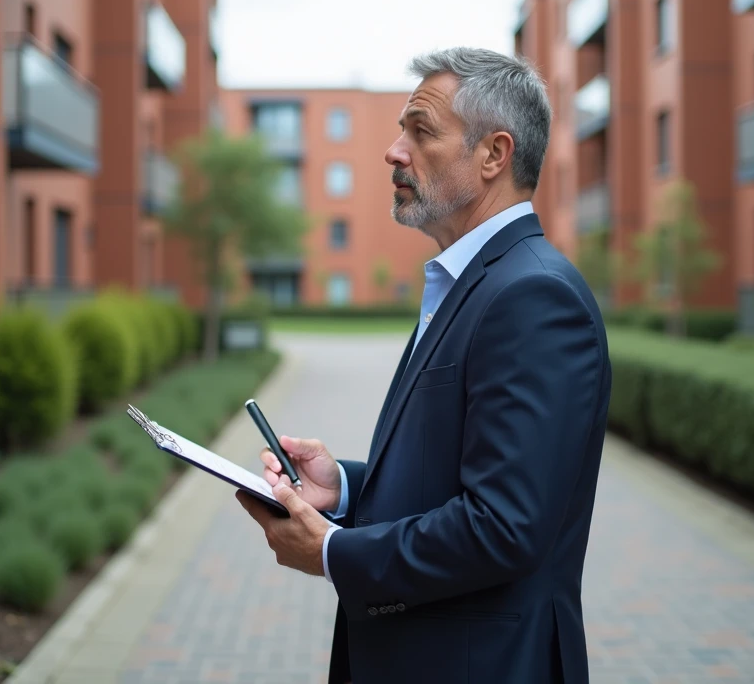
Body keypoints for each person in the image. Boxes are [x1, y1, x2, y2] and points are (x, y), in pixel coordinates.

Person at [236, 47, 611, 684]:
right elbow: (459, 472)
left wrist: (332, 551)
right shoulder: (474, 282)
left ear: (494, 154)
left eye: (421, 130)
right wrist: (346, 488)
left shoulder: (532, 296)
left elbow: (503, 526)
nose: (394, 150)